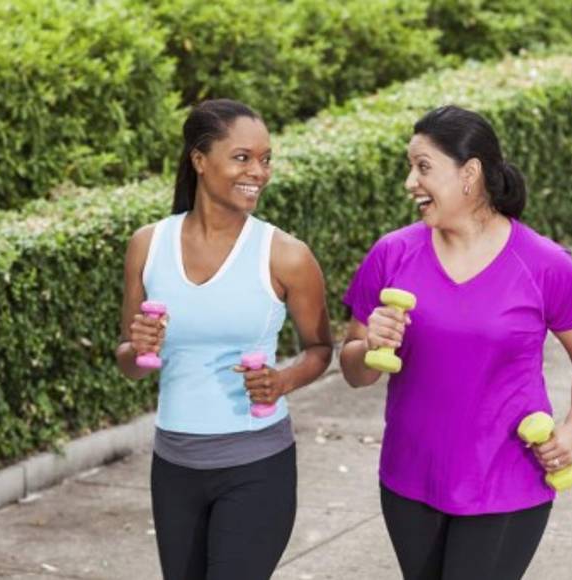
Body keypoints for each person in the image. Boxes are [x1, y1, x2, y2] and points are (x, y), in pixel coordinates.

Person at [339, 105, 572, 579]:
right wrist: (368, 346)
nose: (410, 182)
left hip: (506, 481)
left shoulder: (544, 264)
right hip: (409, 480)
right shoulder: (392, 254)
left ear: (469, 174)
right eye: (410, 167)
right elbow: (354, 372)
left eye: (423, 167)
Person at [115, 99, 333, 580]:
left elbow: (321, 348)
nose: (259, 171)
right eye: (242, 157)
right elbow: (128, 361)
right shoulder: (148, 245)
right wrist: (139, 348)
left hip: (257, 468)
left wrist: (282, 381)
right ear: (199, 160)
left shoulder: (286, 255)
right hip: (173, 467)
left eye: (266, 158)